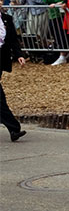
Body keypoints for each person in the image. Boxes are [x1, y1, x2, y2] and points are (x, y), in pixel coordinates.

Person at [0, 8, 27, 142]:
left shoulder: (7, 19)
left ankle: (13, 128)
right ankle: (13, 128)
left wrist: (19, 55)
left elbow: (13, 40)